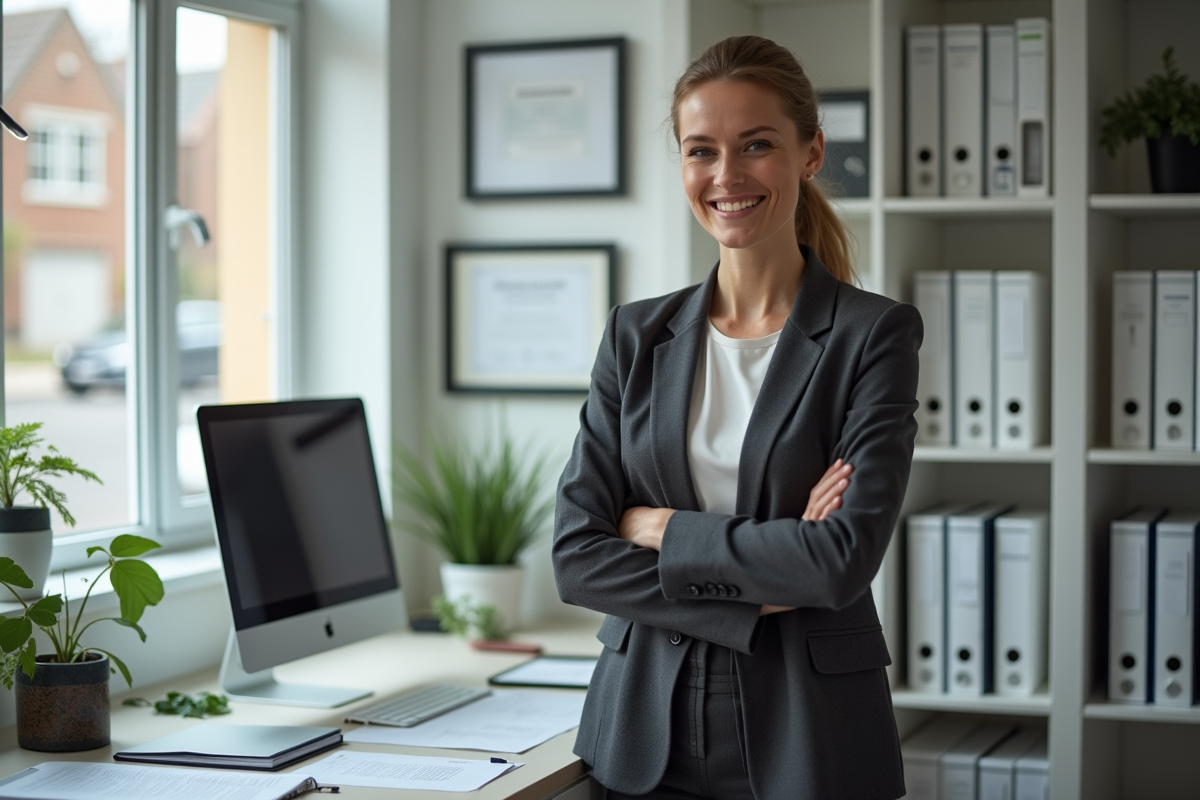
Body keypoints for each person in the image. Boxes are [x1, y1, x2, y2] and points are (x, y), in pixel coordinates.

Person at [552, 35, 921, 800]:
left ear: (811, 152)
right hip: (640, 732)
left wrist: (655, 528)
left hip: (810, 733)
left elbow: (839, 562)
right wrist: (767, 577)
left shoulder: (872, 336)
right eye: (701, 150)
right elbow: (577, 555)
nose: (726, 177)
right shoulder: (636, 335)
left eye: (757, 145)